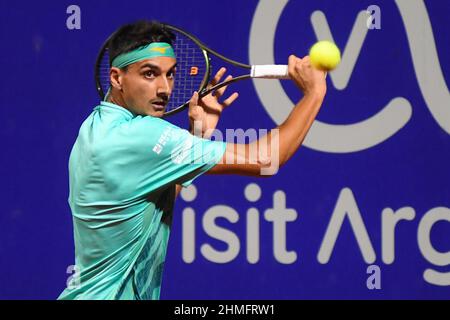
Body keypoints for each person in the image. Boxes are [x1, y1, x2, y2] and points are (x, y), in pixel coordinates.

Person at [58, 20, 326, 300]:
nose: (164, 88)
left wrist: (199, 135)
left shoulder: (94, 127)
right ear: (116, 78)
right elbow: (266, 159)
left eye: (170, 74)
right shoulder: (143, 135)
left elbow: (151, 200)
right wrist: (314, 94)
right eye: (150, 74)